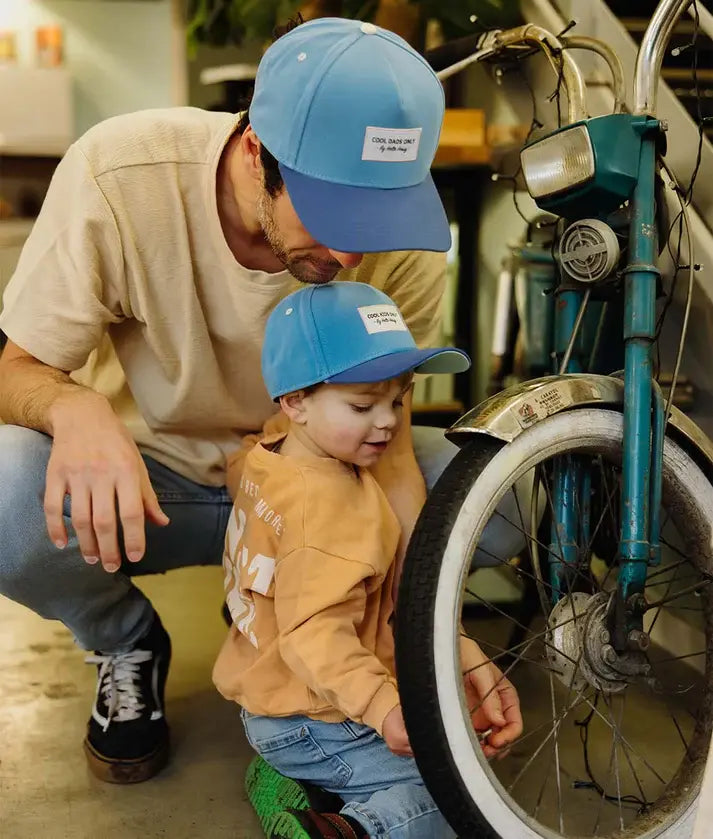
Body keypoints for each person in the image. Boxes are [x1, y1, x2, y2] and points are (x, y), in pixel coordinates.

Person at [0, 17, 460, 785]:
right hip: (154, 484)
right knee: (7, 489)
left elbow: (396, 440)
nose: (351, 254)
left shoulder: (401, 237)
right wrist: (72, 409)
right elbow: (17, 366)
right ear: (256, 153)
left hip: (317, 484)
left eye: (372, 217)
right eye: (332, 212)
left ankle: (283, 607)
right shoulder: (120, 175)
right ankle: (126, 640)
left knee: (485, 503)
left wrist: (415, 640)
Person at [213, 281, 522, 839]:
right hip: (311, 715)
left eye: (398, 400)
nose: (388, 422)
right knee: (463, 801)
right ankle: (349, 830)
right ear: (295, 402)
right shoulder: (335, 509)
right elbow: (314, 635)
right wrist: (383, 707)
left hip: (272, 697)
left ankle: (297, 784)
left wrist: (452, 646)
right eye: (362, 404)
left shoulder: (268, 459)